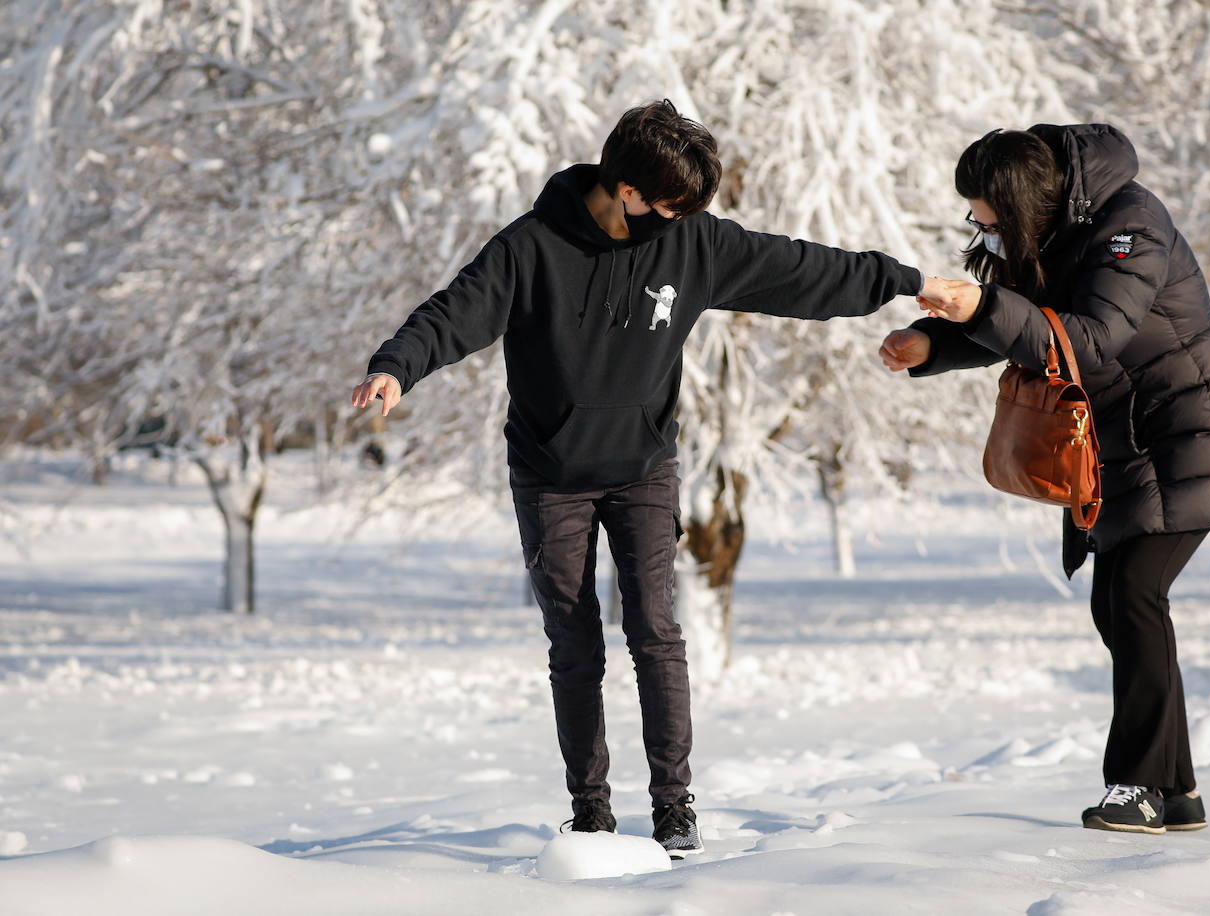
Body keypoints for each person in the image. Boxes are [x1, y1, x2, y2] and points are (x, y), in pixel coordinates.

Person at [352, 99, 926, 856]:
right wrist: (396, 368)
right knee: (575, 643)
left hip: (644, 467)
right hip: (550, 473)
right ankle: (590, 811)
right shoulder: (531, 248)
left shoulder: (690, 245)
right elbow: (455, 312)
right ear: (625, 190)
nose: (678, 219)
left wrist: (906, 280)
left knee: (656, 629)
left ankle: (674, 805)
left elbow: (799, 269)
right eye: (667, 204)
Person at [879, 124, 1210, 834]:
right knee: (1116, 604)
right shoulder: (1057, 229)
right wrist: (932, 344)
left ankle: (1139, 785)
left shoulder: (1131, 226)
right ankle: (1176, 790)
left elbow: (1084, 341)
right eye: (976, 218)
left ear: (1029, 201)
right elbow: (1030, 320)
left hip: (1193, 434)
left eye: (989, 217)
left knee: (1132, 593)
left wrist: (981, 306)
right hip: (1126, 446)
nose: (982, 229)